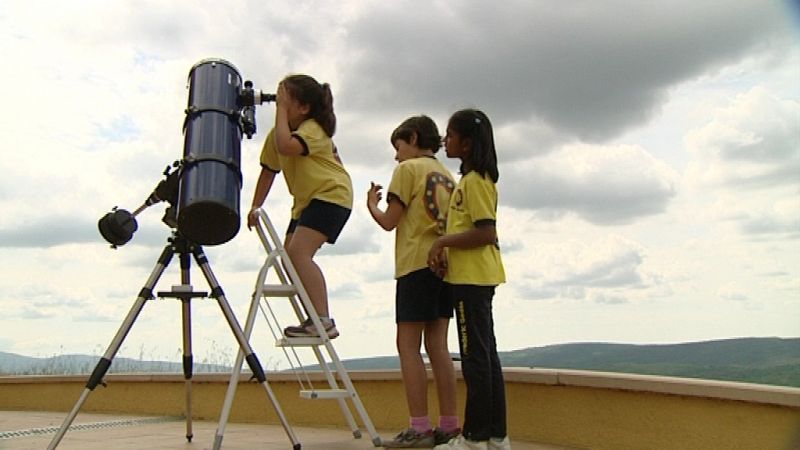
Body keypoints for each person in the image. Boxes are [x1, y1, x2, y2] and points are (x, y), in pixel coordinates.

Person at [367, 115, 460, 448]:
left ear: (414, 137)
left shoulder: (407, 171)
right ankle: (449, 424)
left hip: (415, 264)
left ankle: (419, 427)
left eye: (399, 146)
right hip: (445, 267)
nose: (396, 156)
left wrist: (372, 207)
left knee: (408, 345)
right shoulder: (448, 175)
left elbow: (391, 222)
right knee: (439, 346)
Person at [428, 109, 510, 450]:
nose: (446, 140)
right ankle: (495, 435)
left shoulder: (475, 182)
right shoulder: (473, 180)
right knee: (485, 357)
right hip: (474, 277)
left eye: (451, 134)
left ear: (468, 141)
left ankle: (475, 437)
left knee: (476, 359)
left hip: (473, 282)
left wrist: (442, 242)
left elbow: (485, 233)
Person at [248, 74, 352, 339]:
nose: (279, 104)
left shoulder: (313, 130)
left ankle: (323, 319)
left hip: (331, 195)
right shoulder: (277, 136)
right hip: (306, 202)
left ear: (303, 107)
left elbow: (287, 146)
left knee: (298, 253)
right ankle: (313, 319)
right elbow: (269, 170)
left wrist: (280, 111)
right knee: (289, 261)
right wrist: (255, 206)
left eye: (285, 100)